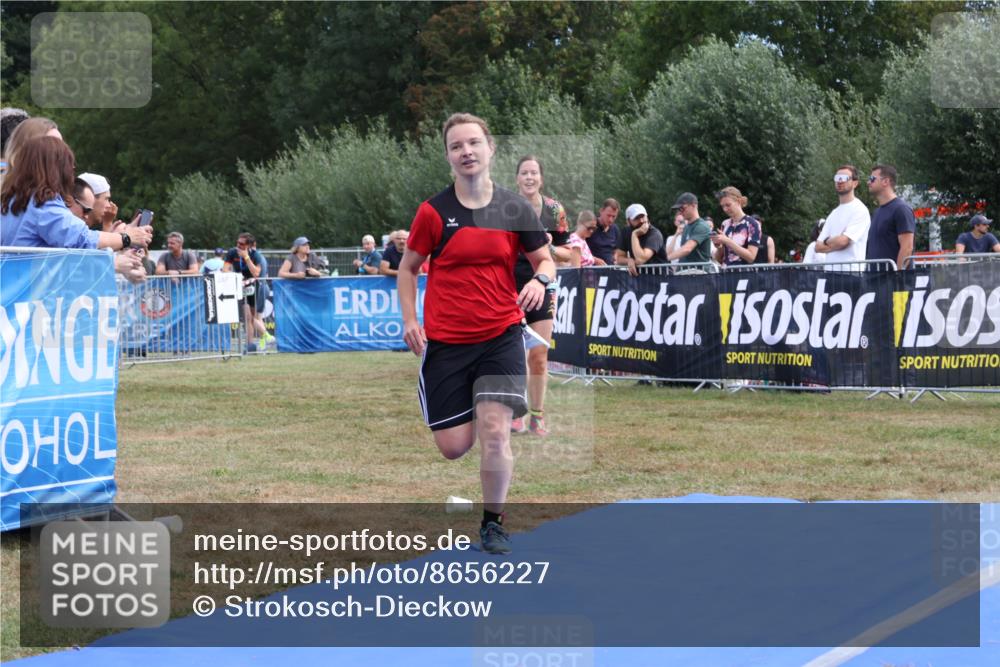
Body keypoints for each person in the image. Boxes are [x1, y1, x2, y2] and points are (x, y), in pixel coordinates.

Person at [398, 113, 554, 555]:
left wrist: (538, 280)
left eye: (473, 143)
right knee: (453, 447)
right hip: (446, 342)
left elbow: (545, 259)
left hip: (501, 334)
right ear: (448, 156)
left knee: (496, 431)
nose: (466, 151)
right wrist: (411, 320)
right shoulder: (433, 212)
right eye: (456, 146)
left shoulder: (513, 207)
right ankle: (465, 402)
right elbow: (408, 269)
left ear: (490, 150)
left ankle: (493, 523)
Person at [0, 136, 151, 251]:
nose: (71, 170)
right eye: (68, 165)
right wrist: (127, 237)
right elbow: (80, 239)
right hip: (35, 290)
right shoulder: (43, 203)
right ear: (55, 168)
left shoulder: (12, 199)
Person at [512, 155, 571, 436]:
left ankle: (537, 415)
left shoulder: (555, 210)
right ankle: (515, 412)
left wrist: (548, 247)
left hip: (543, 285)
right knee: (512, 353)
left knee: (538, 355)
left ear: (541, 178)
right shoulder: (506, 209)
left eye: (534, 173)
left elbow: (568, 253)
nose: (529, 178)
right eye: (524, 173)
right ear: (517, 179)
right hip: (510, 286)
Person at [815, 165, 871, 270]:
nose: (840, 181)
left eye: (845, 178)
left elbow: (843, 242)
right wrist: (835, 242)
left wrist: (827, 241)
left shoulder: (860, 210)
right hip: (829, 272)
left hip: (850, 272)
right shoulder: (833, 213)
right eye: (837, 178)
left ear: (855, 183)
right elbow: (818, 247)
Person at [866, 164, 915, 268]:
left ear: (885, 181)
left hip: (891, 280)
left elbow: (907, 248)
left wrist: (898, 278)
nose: (868, 182)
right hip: (874, 279)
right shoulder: (877, 212)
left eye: (872, 179)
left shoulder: (901, 209)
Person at [224, 232, 265, 352]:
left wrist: (246, 257)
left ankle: (265, 336)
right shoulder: (232, 252)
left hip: (256, 286)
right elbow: (225, 269)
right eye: (237, 242)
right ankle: (250, 345)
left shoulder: (256, 255)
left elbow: (256, 273)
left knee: (254, 318)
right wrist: (235, 276)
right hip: (241, 286)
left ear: (249, 245)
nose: (238, 245)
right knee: (247, 317)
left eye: (241, 244)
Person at [711, 186, 761, 266]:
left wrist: (727, 241)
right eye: (723, 206)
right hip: (725, 273)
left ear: (738, 201)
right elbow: (719, 258)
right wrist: (719, 246)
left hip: (743, 274)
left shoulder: (753, 224)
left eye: (728, 205)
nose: (725, 209)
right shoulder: (725, 224)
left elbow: (751, 257)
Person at [616, 203, 665, 275]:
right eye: (637, 218)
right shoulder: (625, 232)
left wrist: (634, 235)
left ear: (647, 217)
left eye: (643, 216)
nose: (641, 220)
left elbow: (641, 259)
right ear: (628, 221)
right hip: (640, 279)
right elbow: (619, 258)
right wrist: (629, 260)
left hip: (660, 277)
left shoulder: (655, 234)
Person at [666, 192, 712, 265]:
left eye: (683, 208)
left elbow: (687, 249)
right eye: (679, 209)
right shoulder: (686, 227)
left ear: (694, 205)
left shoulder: (701, 226)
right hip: (685, 271)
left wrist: (666, 258)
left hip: (699, 272)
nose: (680, 212)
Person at [586, 198, 621, 265]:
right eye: (608, 215)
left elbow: (617, 249)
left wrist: (616, 256)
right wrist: (594, 259)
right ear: (601, 211)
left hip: (610, 270)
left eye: (614, 217)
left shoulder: (615, 229)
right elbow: (578, 248)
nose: (610, 220)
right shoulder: (589, 225)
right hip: (592, 270)